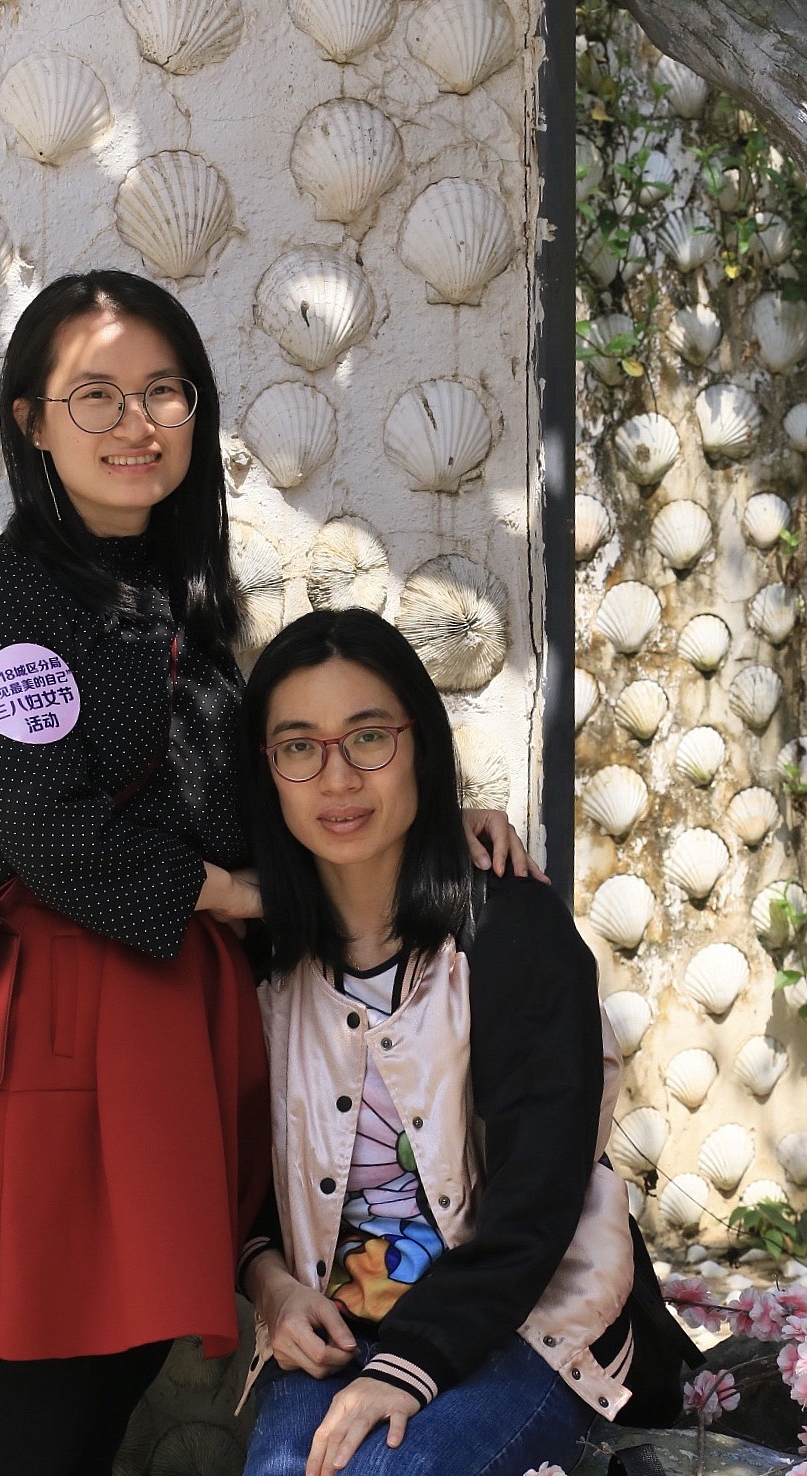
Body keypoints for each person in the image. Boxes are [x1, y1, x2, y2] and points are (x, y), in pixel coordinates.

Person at [0, 272, 539, 1476]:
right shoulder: (4, 597)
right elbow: (52, 831)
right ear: (29, 421)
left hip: (163, 1020)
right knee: (42, 1408)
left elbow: (255, 790)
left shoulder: (179, 591)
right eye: (94, 394)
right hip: (55, 1026)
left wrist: (421, 821)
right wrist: (255, 895)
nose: (135, 421)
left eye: (163, 391)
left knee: (111, 1381)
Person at [237, 609, 697, 1476]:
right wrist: (274, 1290)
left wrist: (409, 1369)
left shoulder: (512, 931)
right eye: (299, 747)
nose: (338, 778)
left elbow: (538, 1198)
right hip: (339, 1328)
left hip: (529, 1321)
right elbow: (239, 1188)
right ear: (267, 770)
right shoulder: (261, 963)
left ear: (420, 742)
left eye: (369, 737)